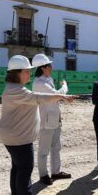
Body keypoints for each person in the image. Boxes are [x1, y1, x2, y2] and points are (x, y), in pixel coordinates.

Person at [0, 55, 74, 195]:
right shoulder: (17, 90)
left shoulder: (13, 87)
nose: (28, 74)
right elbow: (38, 98)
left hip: (15, 135)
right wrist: (62, 95)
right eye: (26, 71)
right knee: (25, 168)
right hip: (18, 137)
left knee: (18, 167)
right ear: (17, 73)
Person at [32, 54, 71, 185]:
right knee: (44, 150)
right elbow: (56, 96)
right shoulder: (39, 83)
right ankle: (43, 175)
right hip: (45, 120)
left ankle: (56, 172)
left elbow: (55, 102)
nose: (52, 67)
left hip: (54, 118)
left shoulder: (48, 80)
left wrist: (59, 115)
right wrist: (65, 86)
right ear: (43, 68)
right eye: (49, 65)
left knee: (56, 147)